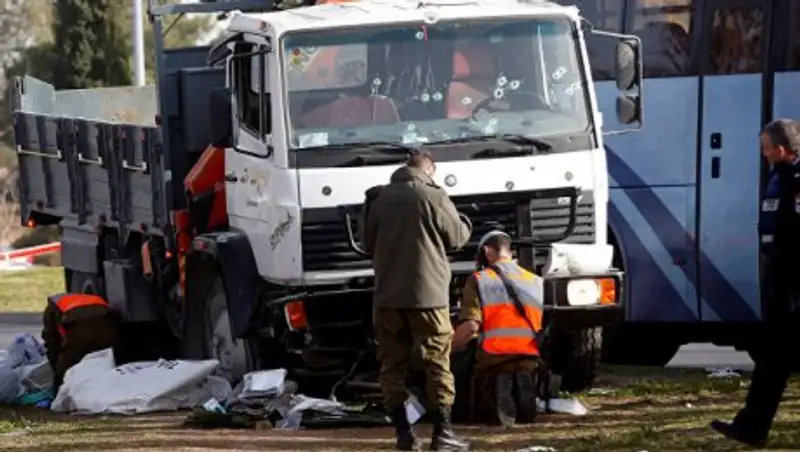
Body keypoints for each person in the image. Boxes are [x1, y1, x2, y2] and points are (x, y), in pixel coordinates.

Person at [360, 150, 472, 451]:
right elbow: (458, 238)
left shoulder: (378, 199)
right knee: (437, 362)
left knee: (391, 366)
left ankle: (403, 434)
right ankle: (443, 433)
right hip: (429, 298)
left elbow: (365, 242)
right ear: (429, 169)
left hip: (387, 298)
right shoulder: (433, 195)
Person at [711, 118, 800, 447]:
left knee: (773, 360)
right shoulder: (780, 176)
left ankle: (752, 427)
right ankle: (751, 427)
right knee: (771, 361)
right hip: (780, 285)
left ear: (779, 149)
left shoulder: (796, 179)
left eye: (766, 149)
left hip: (793, 287)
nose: (764, 155)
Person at [451, 230, 544, 427]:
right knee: (523, 367)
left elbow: (470, 326)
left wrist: (448, 349)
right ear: (510, 253)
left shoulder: (479, 279)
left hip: (493, 358)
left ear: (487, 251)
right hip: (530, 356)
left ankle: (497, 389)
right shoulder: (535, 281)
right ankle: (522, 385)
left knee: (466, 367)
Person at [41, 292, 119, 393]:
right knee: (103, 362)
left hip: (80, 325)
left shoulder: (52, 307)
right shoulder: (88, 298)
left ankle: (58, 397)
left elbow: (51, 340)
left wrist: (56, 367)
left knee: (65, 367)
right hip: (106, 323)